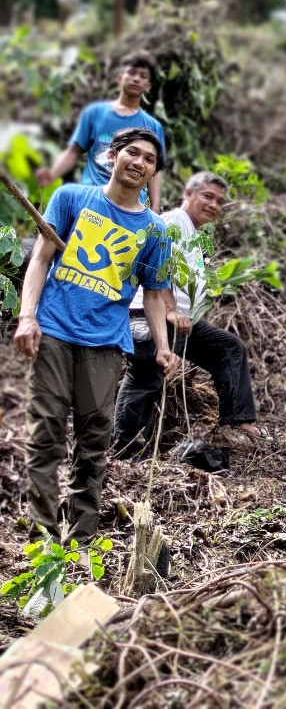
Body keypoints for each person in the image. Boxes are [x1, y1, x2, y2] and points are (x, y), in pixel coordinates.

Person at [15, 128, 175, 541]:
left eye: (149, 159)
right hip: (54, 328)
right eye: (132, 152)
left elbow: (154, 294)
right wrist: (27, 316)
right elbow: (40, 260)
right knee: (46, 431)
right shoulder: (71, 198)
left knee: (94, 440)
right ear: (112, 155)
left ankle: (82, 536)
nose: (139, 162)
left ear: (153, 173)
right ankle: (43, 537)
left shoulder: (155, 231)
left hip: (105, 341)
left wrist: (162, 346)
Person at [112, 171, 265, 458]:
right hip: (150, 314)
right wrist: (170, 310)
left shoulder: (195, 235)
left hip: (182, 320)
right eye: (207, 196)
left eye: (219, 201)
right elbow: (158, 268)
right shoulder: (173, 222)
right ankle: (127, 452)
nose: (213, 205)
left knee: (228, 348)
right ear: (188, 194)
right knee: (146, 373)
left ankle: (236, 420)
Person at [36, 52, 166, 212]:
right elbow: (74, 151)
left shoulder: (153, 126)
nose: (136, 79)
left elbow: (155, 170)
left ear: (148, 86)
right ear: (120, 77)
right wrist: (52, 174)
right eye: (131, 73)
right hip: (91, 198)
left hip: (129, 207)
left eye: (143, 76)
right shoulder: (95, 113)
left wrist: (155, 206)